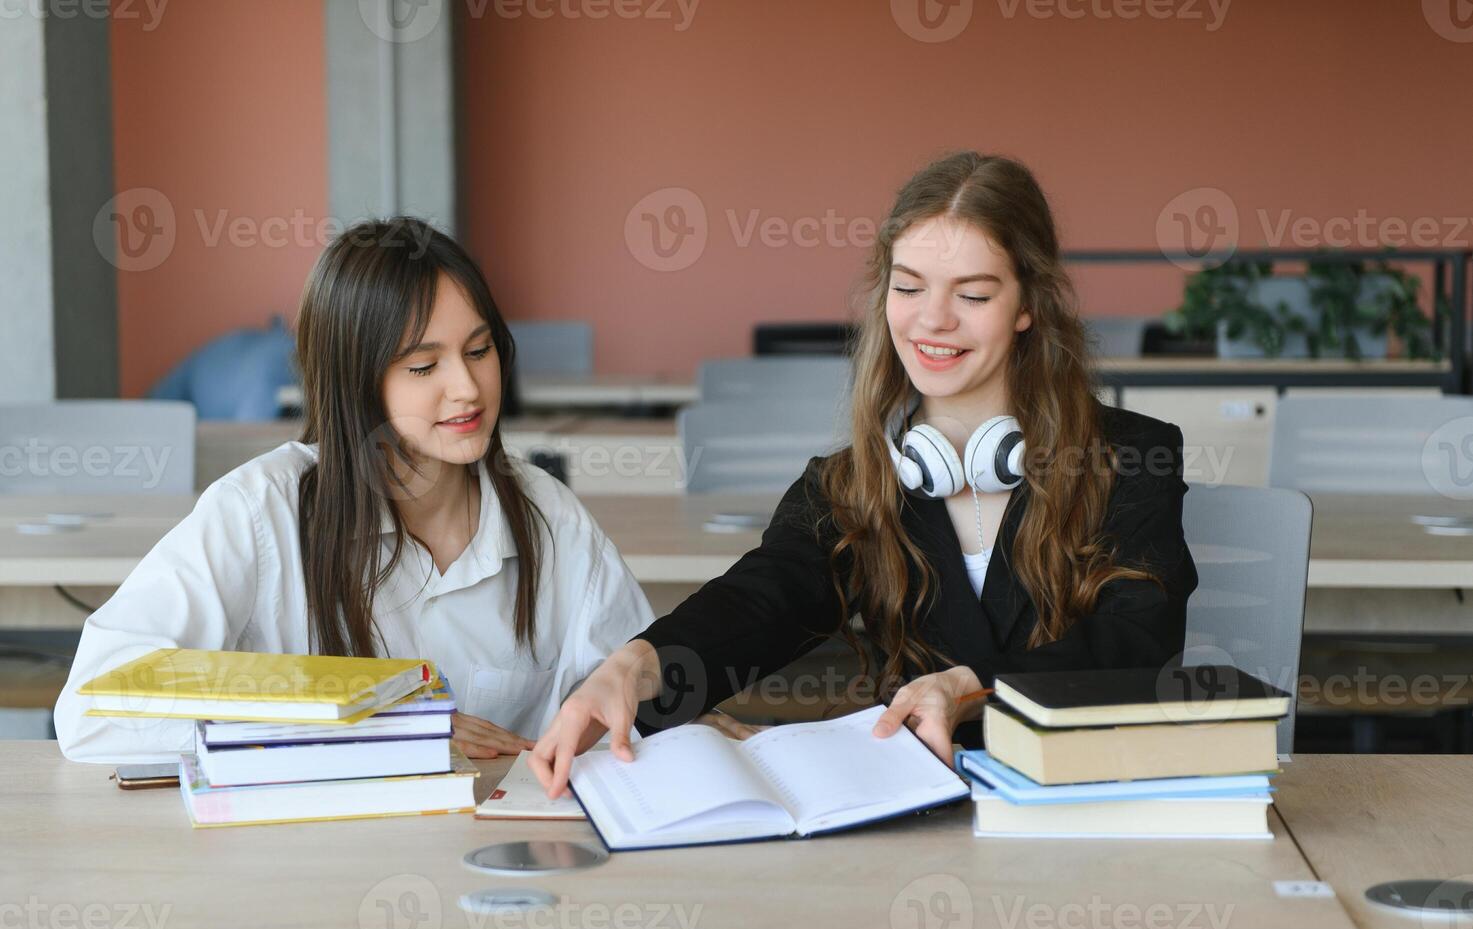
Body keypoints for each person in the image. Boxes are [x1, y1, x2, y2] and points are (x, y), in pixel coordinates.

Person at [532, 152, 1198, 796]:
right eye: (908, 287)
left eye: (971, 294)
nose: (932, 319)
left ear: (1026, 306)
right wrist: (639, 665)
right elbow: (765, 598)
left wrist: (971, 684)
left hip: (1094, 796)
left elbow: (1137, 643)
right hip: (920, 803)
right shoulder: (851, 483)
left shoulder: (1130, 458)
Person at [55, 218, 653, 764]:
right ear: (354, 380)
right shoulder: (261, 511)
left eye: (479, 350)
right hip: (315, 864)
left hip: (498, 854)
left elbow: (637, 694)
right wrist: (375, 725)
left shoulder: (548, 514)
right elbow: (91, 710)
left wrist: (687, 717)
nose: (467, 387)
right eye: (424, 367)